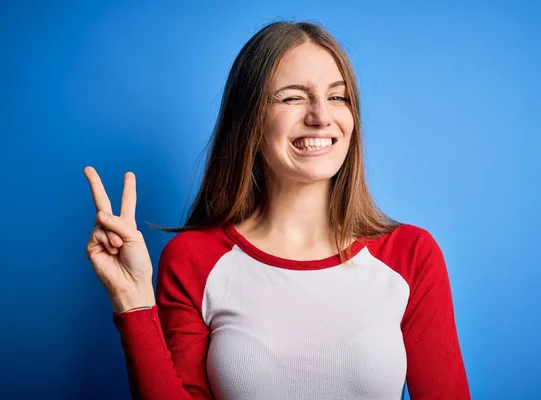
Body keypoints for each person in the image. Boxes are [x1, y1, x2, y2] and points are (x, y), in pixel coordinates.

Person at [84, 21, 470, 400]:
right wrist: (131, 299)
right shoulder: (192, 260)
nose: (321, 116)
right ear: (249, 120)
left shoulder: (411, 256)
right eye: (292, 97)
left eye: (338, 97)